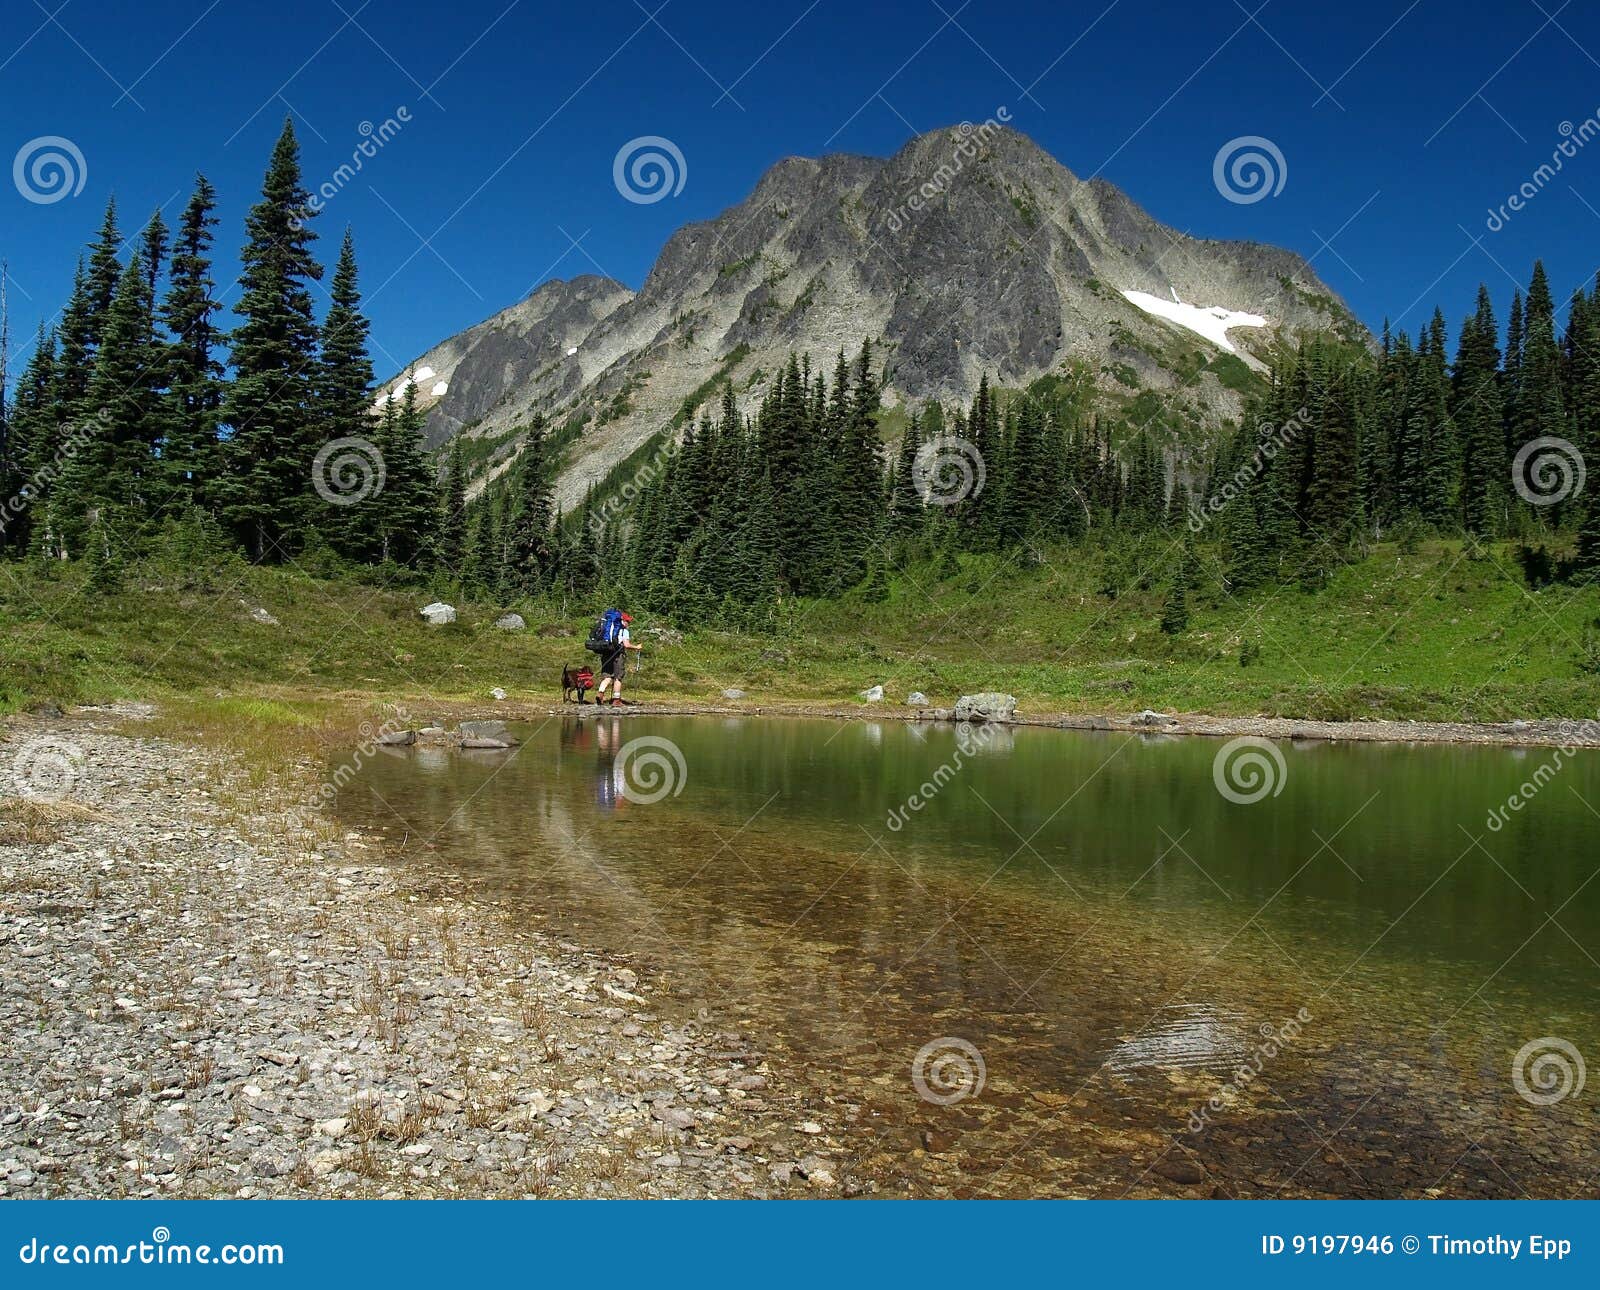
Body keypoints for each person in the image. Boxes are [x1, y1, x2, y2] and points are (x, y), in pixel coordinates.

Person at [595, 611, 642, 706]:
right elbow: (627, 645)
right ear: (623, 620)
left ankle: (600, 694)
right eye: (628, 621)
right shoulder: (624, 630)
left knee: (607, 676)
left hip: (606, 652)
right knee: (618, 677)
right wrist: (637, 647)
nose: (629, 624)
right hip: (618, 655)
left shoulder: (607, 630)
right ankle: (616, 700)